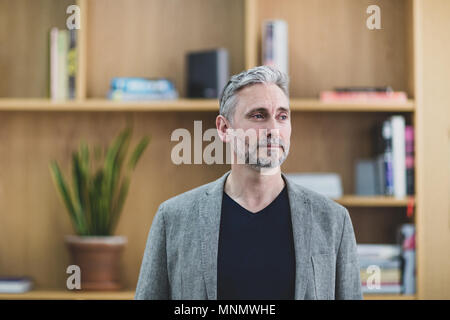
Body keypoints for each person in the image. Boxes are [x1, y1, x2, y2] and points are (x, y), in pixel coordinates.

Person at [135, 65, 363, 300]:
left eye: (282, 116)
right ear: (224, 129)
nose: (273, 129)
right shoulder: (173, 218)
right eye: (258, 116)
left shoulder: (333, 221)